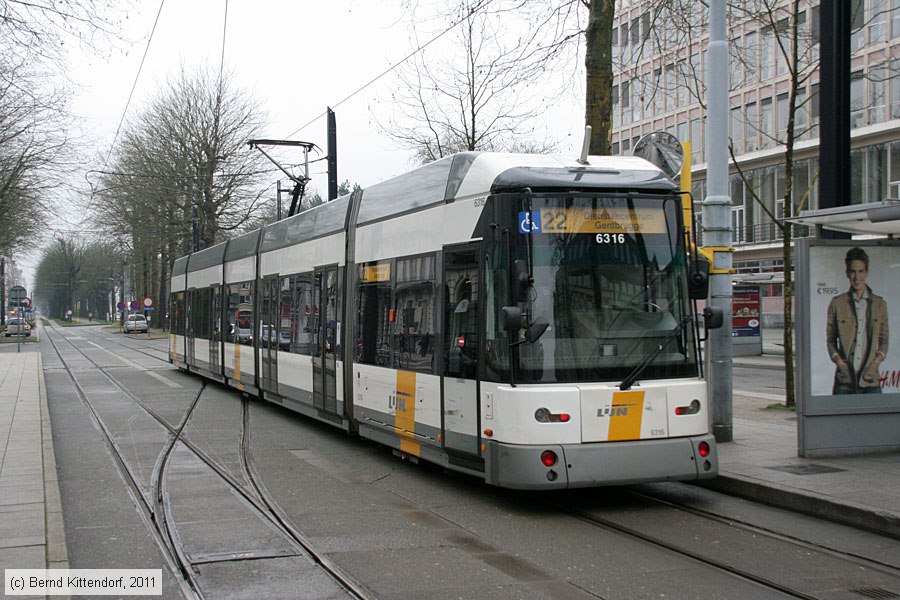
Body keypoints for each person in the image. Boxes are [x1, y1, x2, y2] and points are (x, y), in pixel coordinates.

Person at [826, 247, 889, 394]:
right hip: (845, 382)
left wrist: (876, 362)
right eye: (853, 271)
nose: (856, 277)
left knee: (876, 417)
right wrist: (840, 363)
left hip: (871, 380)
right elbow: (830, 340)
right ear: (847, 273)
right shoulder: (837, 303)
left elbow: (884, 341)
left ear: (866, 272)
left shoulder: (880, 304)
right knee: (840, 418)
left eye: (860, 271)